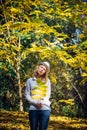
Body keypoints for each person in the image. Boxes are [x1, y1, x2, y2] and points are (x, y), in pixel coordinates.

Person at [25, 61, 51, 130]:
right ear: (38, 67)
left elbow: (47, 95)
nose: (42, 69)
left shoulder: (47, 81)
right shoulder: (29, 81)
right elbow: (27, 95)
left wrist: (41, 102)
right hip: (33, 109)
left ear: (45, 72)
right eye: (42, 67)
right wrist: (36, 103)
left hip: (45, 109)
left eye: (45, 69)